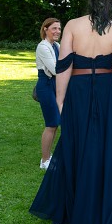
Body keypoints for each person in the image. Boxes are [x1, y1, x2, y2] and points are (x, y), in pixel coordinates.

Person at [29, 0, 112, 224]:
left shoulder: (72, 25)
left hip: (77, 92)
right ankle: (98, 204)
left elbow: (64, 66)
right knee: (103, 147)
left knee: (76, 144)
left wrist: (60, 100)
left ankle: (77, 207)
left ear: (91, 1)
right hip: (106, 93)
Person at [36, 18, 61, 170]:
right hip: (46, 85)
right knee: (51, 123)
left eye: (59, 28)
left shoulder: (56, 45)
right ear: (45, 29)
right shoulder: (43, 47)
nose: (57, 31)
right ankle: (44, 160)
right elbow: (56, 70)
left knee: (55, 123)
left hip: (55, 85)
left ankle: (48, 156)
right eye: (54, 28)